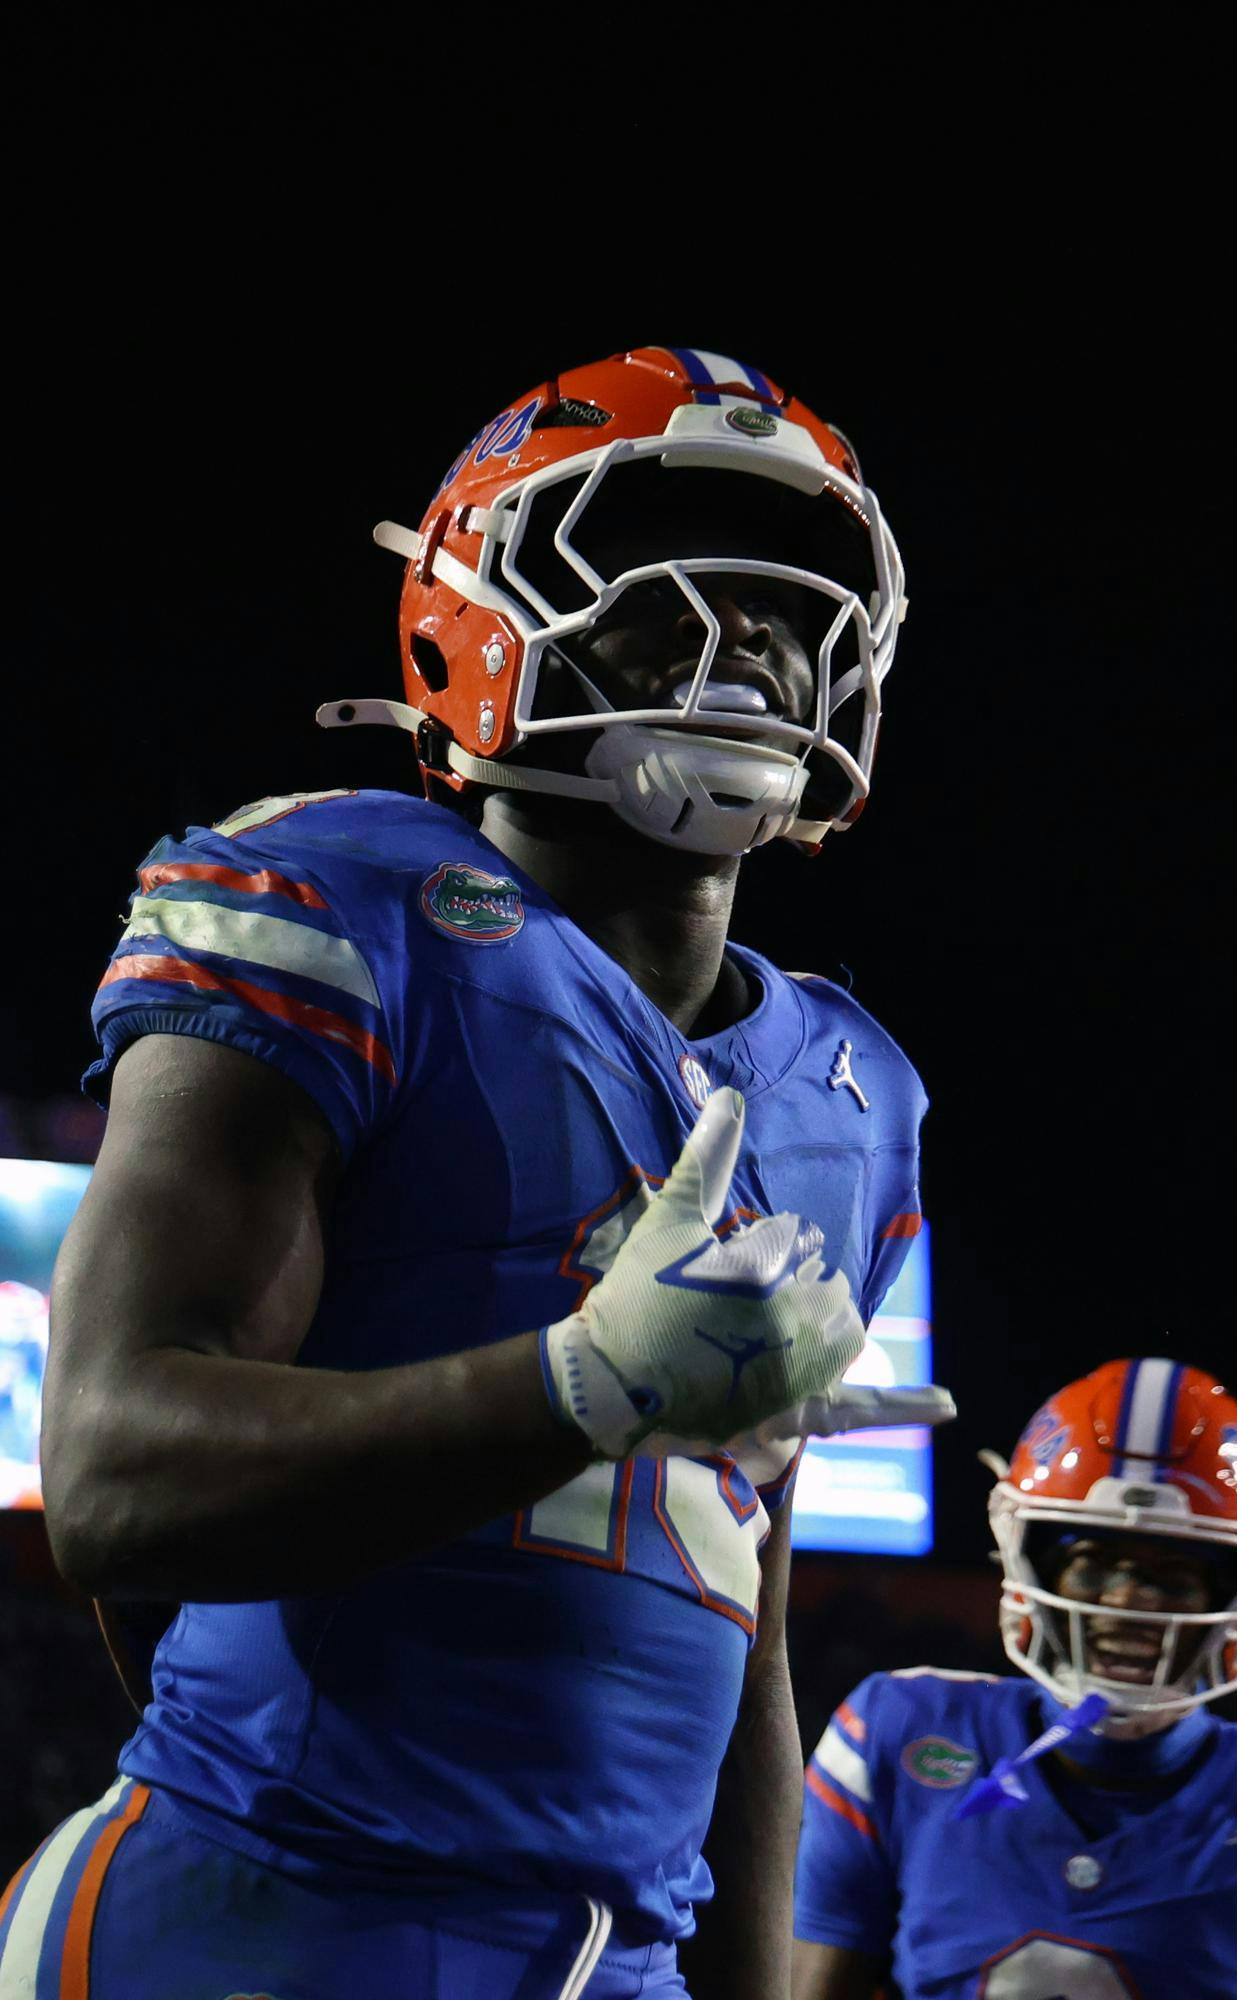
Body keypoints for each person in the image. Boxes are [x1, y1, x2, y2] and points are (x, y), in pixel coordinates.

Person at [4, 348, 953, 2000]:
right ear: (475, 613)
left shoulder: (848, 1090)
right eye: (666, 601)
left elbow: (751, 1633)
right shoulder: (340, 905)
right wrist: (574, 1386)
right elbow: (107, 1479)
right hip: (273, 1921)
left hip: (613, 1966)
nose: (742, 644)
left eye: (787, 608)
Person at [794, 1356, 1237, 1999]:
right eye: (1094, 1562)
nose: (1130, 1599)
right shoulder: (893, 1731)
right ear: (1032, 1567)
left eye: (1174, 1575)